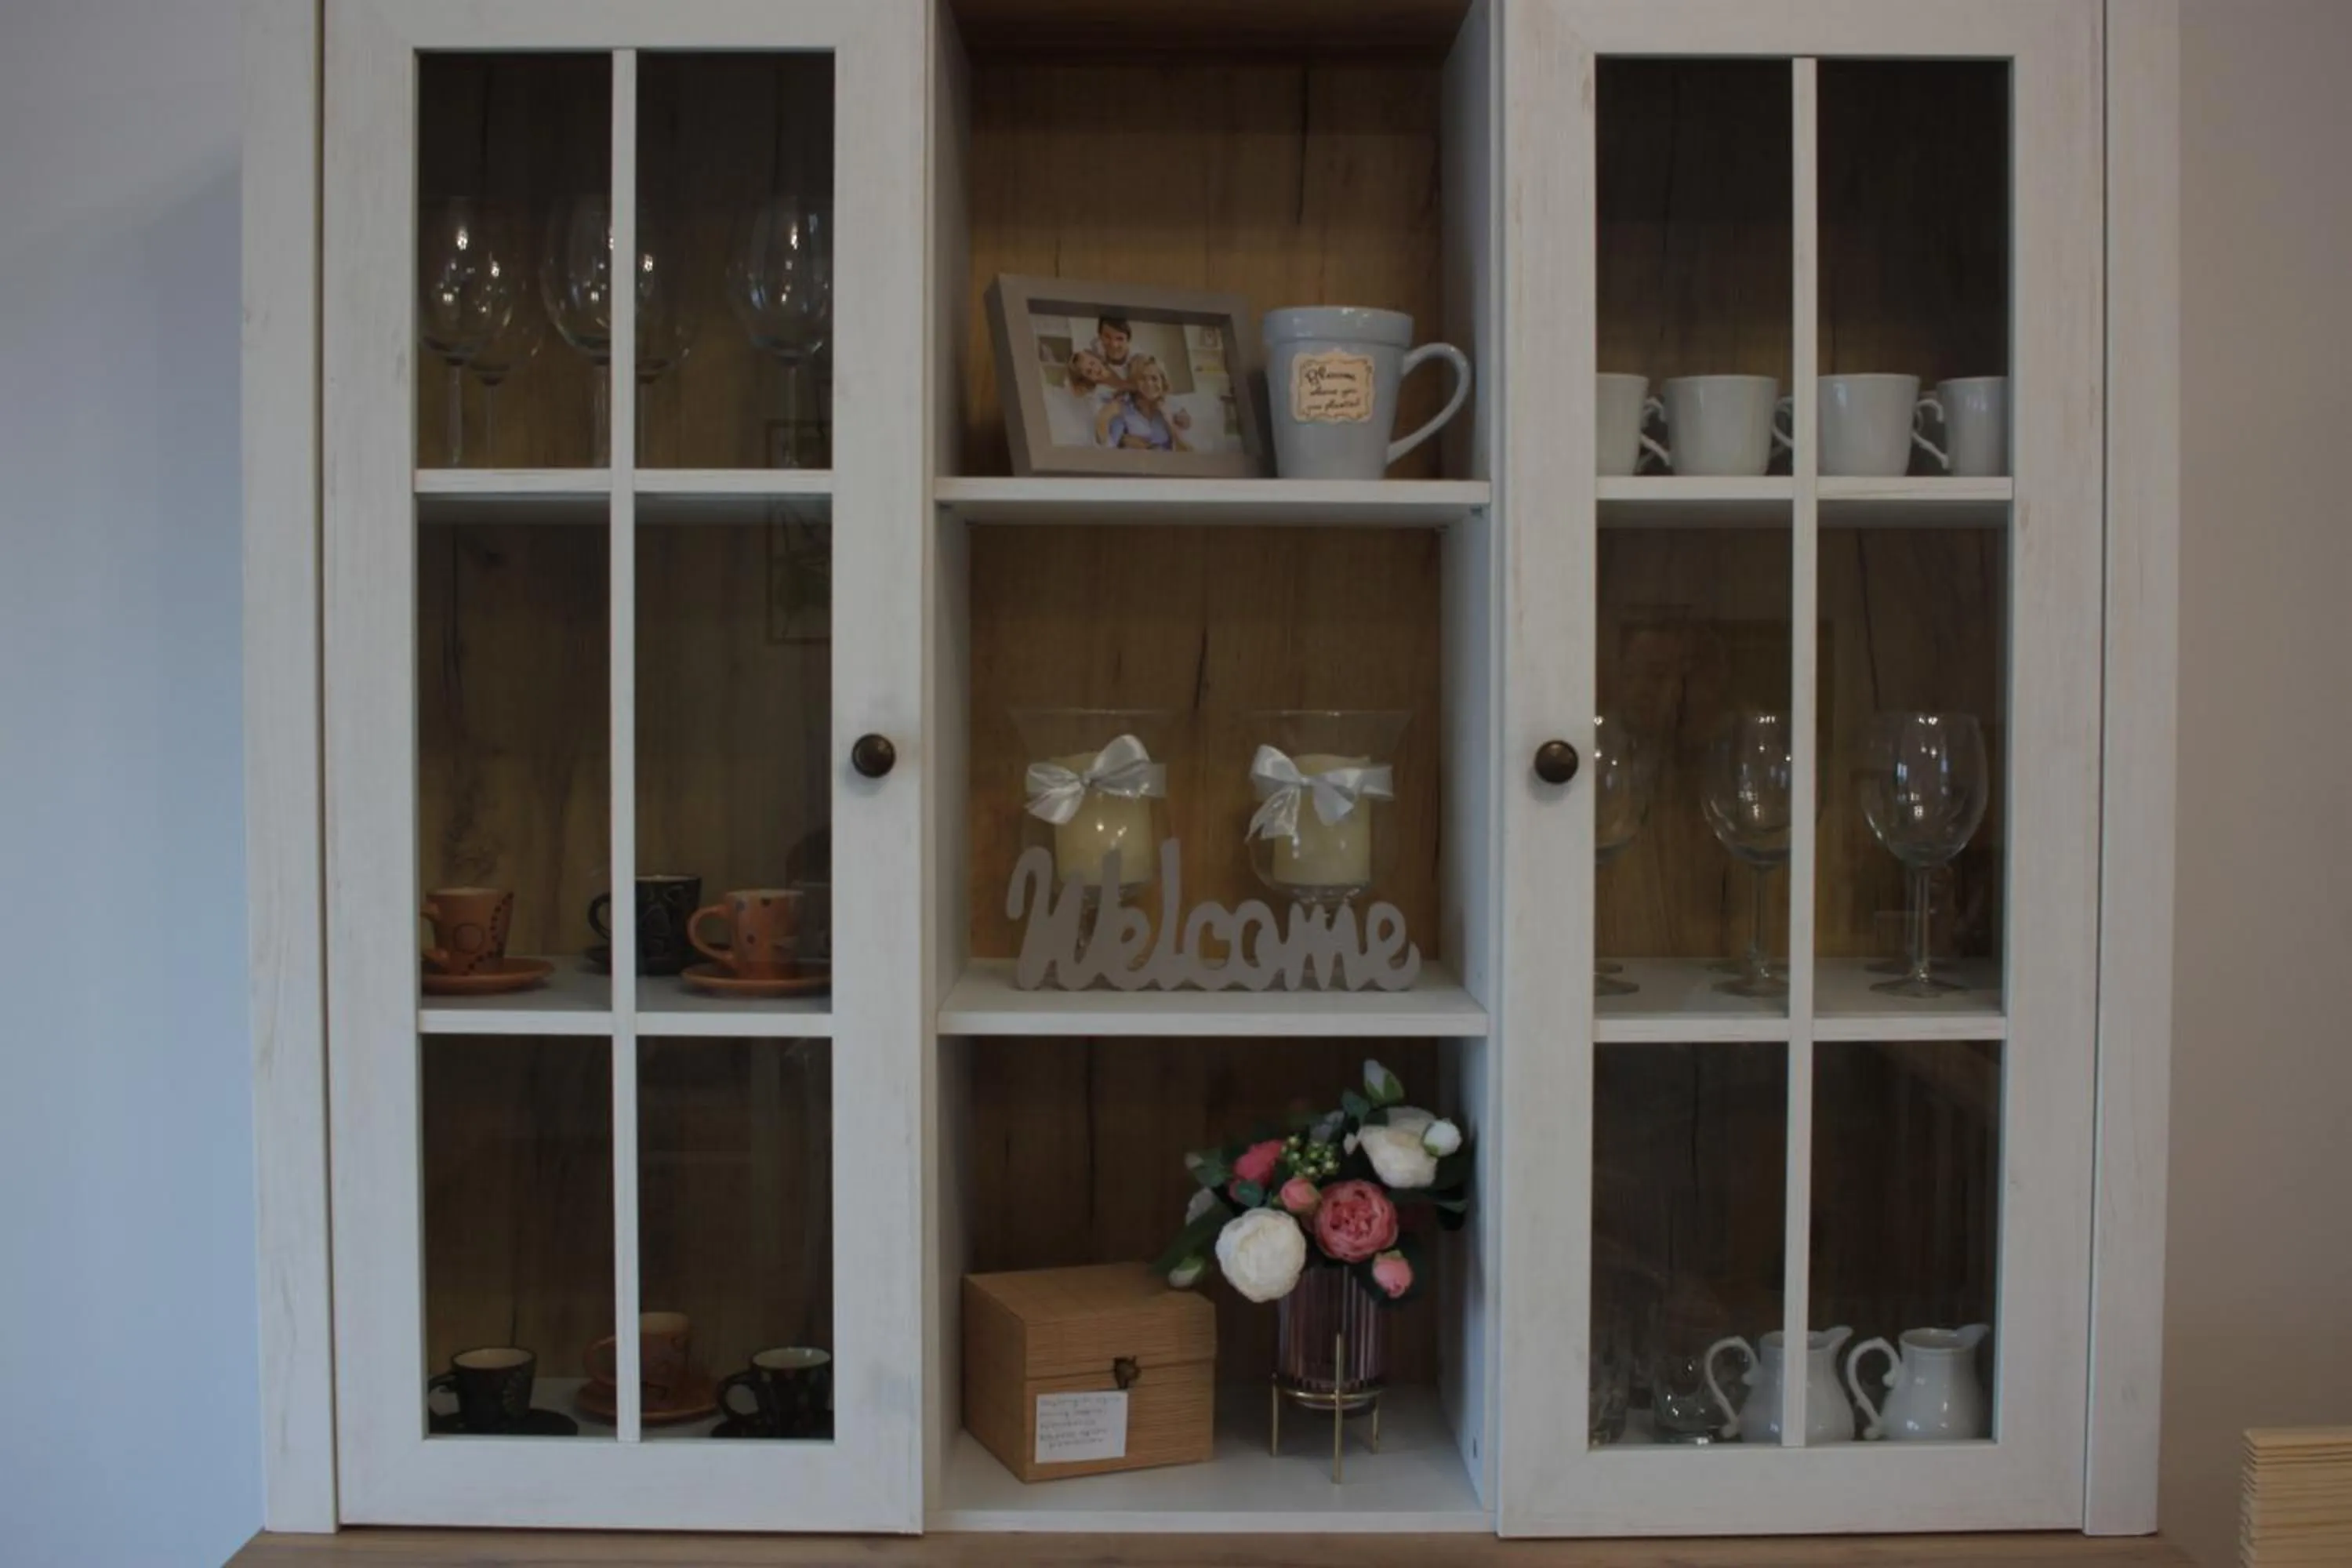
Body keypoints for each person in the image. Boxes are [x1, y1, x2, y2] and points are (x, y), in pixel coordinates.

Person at [1096, 355, 1191, 452]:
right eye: (1142, 379)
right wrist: (1121, 442)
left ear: (1163, 382)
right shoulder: (1124, 408)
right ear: (1135, 383)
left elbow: (1187, 452)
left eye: (1154, 378)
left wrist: (1169, 421)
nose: (1149, 384)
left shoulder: (1174, 407)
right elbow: (1108, 447)